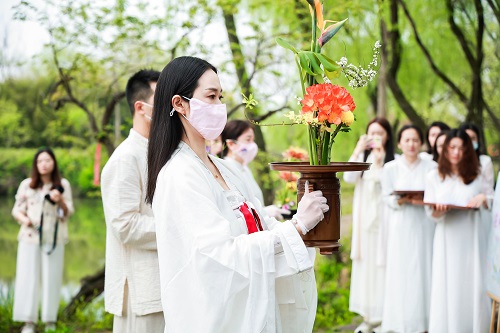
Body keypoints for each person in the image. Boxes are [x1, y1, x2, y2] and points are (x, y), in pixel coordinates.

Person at [145, 56, 329, 333]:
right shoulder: (179, 175)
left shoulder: (224, 168)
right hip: (216, 320)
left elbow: (258, 228)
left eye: (221, 97)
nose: (220, 107)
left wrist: (302, 230)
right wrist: (296, 227)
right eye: (211, 96)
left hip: (253, 310)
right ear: (179, 104)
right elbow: (217, 257)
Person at [101, 69, 165, 332]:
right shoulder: (126, 158)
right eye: (161, 99)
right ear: (141, 106)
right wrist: (181, 227)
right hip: (142, 291)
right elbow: (125, 226)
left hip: (167, 283)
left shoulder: (159, 153)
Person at [424, 129, 491, 332]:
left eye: (461, 148)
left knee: (473, 285)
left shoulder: (478, 173)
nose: (456, 153)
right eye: (452, 147)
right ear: (444, 149)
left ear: (468, 151)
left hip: (472, 238)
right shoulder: (434, 176)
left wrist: (484, 198)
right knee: (448, 285)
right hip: (447, 238)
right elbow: (430, 213)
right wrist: (438, 209)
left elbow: (492, 201)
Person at [12, 147, 74, 333]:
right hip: (29, 237)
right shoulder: (27, 185)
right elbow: (16, 209)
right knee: (27, 278)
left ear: (53, 162)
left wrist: (60, 200)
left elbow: (67, 212)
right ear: (35, 165)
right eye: (40, 161)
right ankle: (28, 322)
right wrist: (26, 221)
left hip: (54, 238)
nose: (44, 164)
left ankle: (49, 321)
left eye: (47, 160)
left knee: (52, 278)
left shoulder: (62, 184)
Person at [380, 125, 436, 333]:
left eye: (415, 140)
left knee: (424, 268)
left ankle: (428, 321)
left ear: (421, 142)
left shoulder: (431, 166)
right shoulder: (391, 168)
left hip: (425, 223)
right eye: (407, 140)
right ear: (399, 143)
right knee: (402, 271)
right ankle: (402, 322)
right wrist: (400, 201)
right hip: (401, 223)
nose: (411, 144)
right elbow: (386, 197)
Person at [343, 117, 395, 333]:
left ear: (387, 137)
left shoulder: (394, 161)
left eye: (380, 134)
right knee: (366, 267)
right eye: (372, 133)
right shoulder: (361, 159)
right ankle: (368, 317)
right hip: (365, 225)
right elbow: (348, 178)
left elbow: (391, 185)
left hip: (385, 223)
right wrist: (357, 150)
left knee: (384, 266)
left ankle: (386, 316)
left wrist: (382, 162)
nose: (376, 138)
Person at [221, 119, 291, 220]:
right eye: (248, 140)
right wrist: (266, 212)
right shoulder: (226, 170)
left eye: (253, 140)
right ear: (231, 144)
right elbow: (236, 211)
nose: (253, 145)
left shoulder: (244, 168)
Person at [459, 122, 495, 196]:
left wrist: (484, 198)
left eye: (473, 138)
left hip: (478, 206)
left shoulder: (485, 161)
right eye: (467, 138)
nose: (470, 142)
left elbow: (489, 192)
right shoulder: (454, 160)